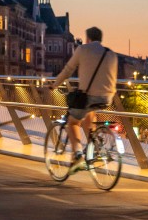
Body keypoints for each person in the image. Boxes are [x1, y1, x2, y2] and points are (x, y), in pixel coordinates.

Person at [45, 26, 118, 173]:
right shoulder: (111, 54)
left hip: (87, 96)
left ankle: (78, 155)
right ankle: (95, 147)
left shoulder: (83, 49)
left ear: (88, 39)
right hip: (108, 96)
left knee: (73, 122)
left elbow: (68, 70)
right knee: (88, 117)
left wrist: (54, 85)